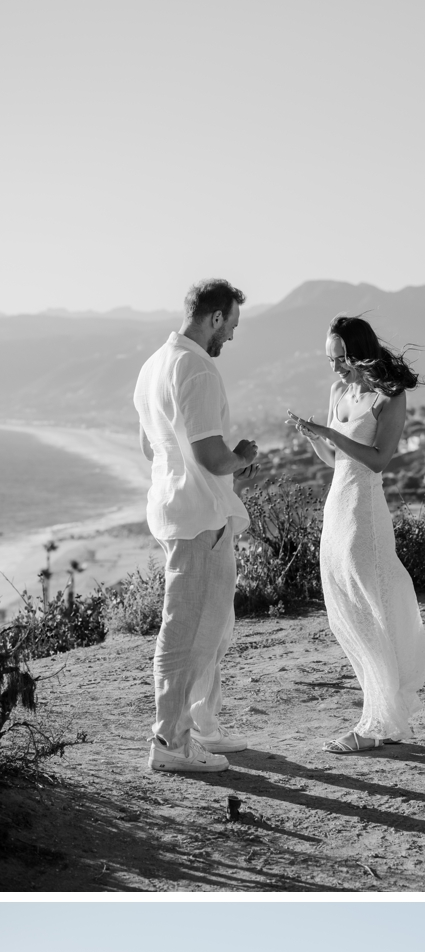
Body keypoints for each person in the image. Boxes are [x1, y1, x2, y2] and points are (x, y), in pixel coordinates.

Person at [133, 279, 258, 774]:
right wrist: (241, 457)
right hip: (199, 515)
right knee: (189, 631)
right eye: (231, 325)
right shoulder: (198, 368)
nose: (231, 336)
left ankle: (201, 724)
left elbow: (150, 447)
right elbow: (210, 455)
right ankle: (170, 741)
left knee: (212, 625)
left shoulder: (153, 365)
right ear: (215, 317)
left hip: (176, 508)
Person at [285, 317, 425, 753]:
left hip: (365, 510)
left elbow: (379, 460)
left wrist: (330, 432)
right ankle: (381, 714)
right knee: (348, 608)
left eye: (341, 359)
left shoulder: (390, 397)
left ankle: (376, 722)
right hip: (337, 509)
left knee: (373, 607)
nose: (335, 368)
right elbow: (335, 460)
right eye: (330, 359)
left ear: (360, 353)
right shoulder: (338, 392)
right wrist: (316, 438)